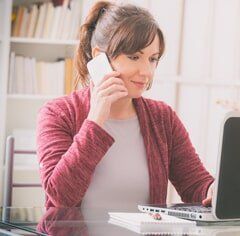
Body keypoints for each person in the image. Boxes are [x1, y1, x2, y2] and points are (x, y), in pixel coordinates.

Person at [36, 1, 214, 210]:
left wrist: (215, 191)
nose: (146, 71)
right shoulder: (58, 114)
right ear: (99, 57)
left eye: (152, 59)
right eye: (134, 57)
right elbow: (61, 197)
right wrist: (95, 121)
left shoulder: (162, 118)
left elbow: (196, 185)